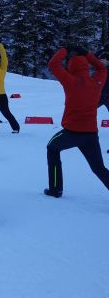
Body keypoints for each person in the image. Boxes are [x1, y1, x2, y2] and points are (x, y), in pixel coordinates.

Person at [44, 45, 109, 198]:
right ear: (86, 67)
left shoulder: (70, 81)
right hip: (91, 135)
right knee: (98, 168)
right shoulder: (96, 83)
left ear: (71, 66)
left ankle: (55, 189)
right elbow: (102, 69)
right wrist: (88, 54)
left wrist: (64, 49)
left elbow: (53, 64)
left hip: (71, 133)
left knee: (52, 148)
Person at [96, 43, 109, 113]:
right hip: (99, 91)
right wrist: (102, 50)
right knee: (88, 108)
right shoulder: (104, 55)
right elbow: (93, 58)